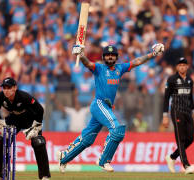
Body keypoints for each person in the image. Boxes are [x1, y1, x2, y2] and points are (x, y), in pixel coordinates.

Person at [57, 43, 164, 172]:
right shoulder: (99, 68)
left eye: (112, 55)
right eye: (107, 55)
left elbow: (137, 61)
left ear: (116, 57)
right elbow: (87, 64)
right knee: (117, 129)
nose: (110, 57)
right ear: (103, 57)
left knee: (88, 138)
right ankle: (104, 160)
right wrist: (81, 55)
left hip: (106, 107)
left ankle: (64, 157)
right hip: (99, 104)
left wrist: (153, 54)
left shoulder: (120, 68)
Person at [0, 77, 51, 180]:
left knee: (38, 142)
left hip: (30, 118)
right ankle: (0, 175)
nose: (6, 90)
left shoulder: (24, 96)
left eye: (9, 87)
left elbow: (39, 109)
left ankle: (44, 176)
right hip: (14, 118)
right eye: (4, 87)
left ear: (15, 88)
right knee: (1, 139)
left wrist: (37, 124)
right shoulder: (0, 96)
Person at [162, 57, 194, 174]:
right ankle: (186, 165)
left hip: (188, 112)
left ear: (187, 67)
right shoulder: (172, 79)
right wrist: (165, 116)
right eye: (180, 65)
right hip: (176, 111)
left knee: (191, 139)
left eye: (184, 65)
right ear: (177, 67)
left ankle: (172, 157)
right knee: (180, 139)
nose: (182, 67)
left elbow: (191, 98)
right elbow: (166, 98)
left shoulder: (189, 80)